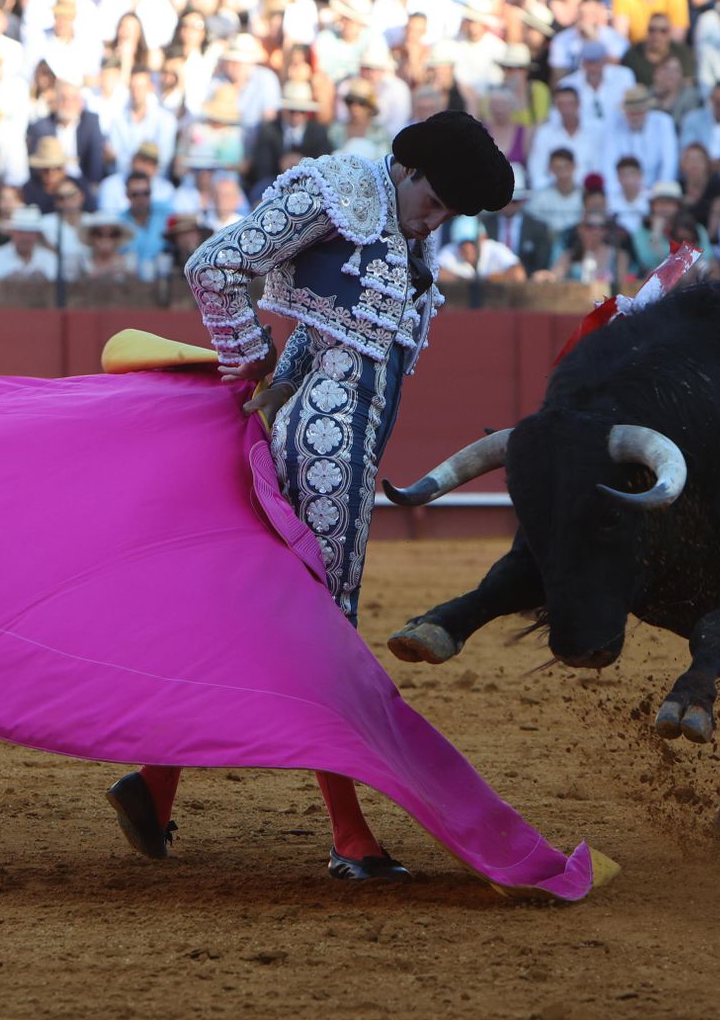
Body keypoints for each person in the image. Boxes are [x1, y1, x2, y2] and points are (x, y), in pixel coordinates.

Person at [106, 112, 514, 884]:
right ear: (409, 169)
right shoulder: (338, 193)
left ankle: (155, 783)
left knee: (265, 615)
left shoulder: (401, 231)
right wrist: (247, 361)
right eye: (438, 202)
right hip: (326, 447)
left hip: (336, 437)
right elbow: (215, 267)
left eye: (454, 213)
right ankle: (349, 834)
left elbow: (324, 330)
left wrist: (282, 371)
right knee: (320, 628)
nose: (439, 220)